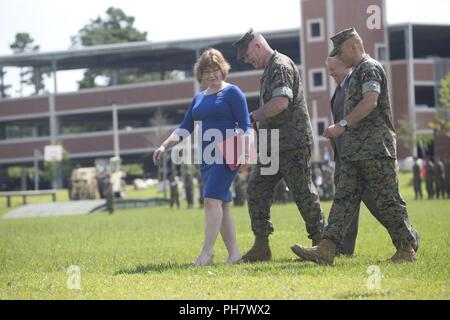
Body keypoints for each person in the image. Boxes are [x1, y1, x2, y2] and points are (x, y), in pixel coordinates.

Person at [291, 27, 419, 265]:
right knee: (343, 199)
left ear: (353, 47)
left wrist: (341, 125)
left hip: (375, 150)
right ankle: (326, 249)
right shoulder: (357, 71)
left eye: (341, 52)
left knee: (387, 199)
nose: (340, 57)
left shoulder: (370, 68)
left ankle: (407, 247)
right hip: (354, 152)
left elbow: (370, 102)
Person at [232, 28, 325, 262]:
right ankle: (262, 246)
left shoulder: (280, 65)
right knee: (256, 188)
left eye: (247, 55)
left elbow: (281, 103)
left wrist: (252, 117)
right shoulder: (269, 70)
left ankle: (321, 245)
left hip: (292, 142)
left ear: (258, 46)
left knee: (302, 192)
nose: (246, 60)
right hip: (272, 145)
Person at [153, 48, 250, 265]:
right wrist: (164, 145)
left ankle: (207, 253)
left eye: (216, 69)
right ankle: (234, 254)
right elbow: (184, 128)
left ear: (222, 69)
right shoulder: (198, 99)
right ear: (201, 75)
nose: (213, 75)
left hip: (229, 152)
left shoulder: (233, 92)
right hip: (206, 156)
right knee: (222, 204)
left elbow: (246, 126)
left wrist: (244, 151)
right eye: (207, 72)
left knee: (210, 201)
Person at [323, 55, 386, 256]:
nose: (331, 73)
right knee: (346, 202)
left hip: (358, 155)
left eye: (334, 69)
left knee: (375, 202)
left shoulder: (353, 85)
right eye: (329, 70)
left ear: (345, 65)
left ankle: (407, 235)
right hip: (343, 156)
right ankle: (344, 248)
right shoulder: (340, 88)